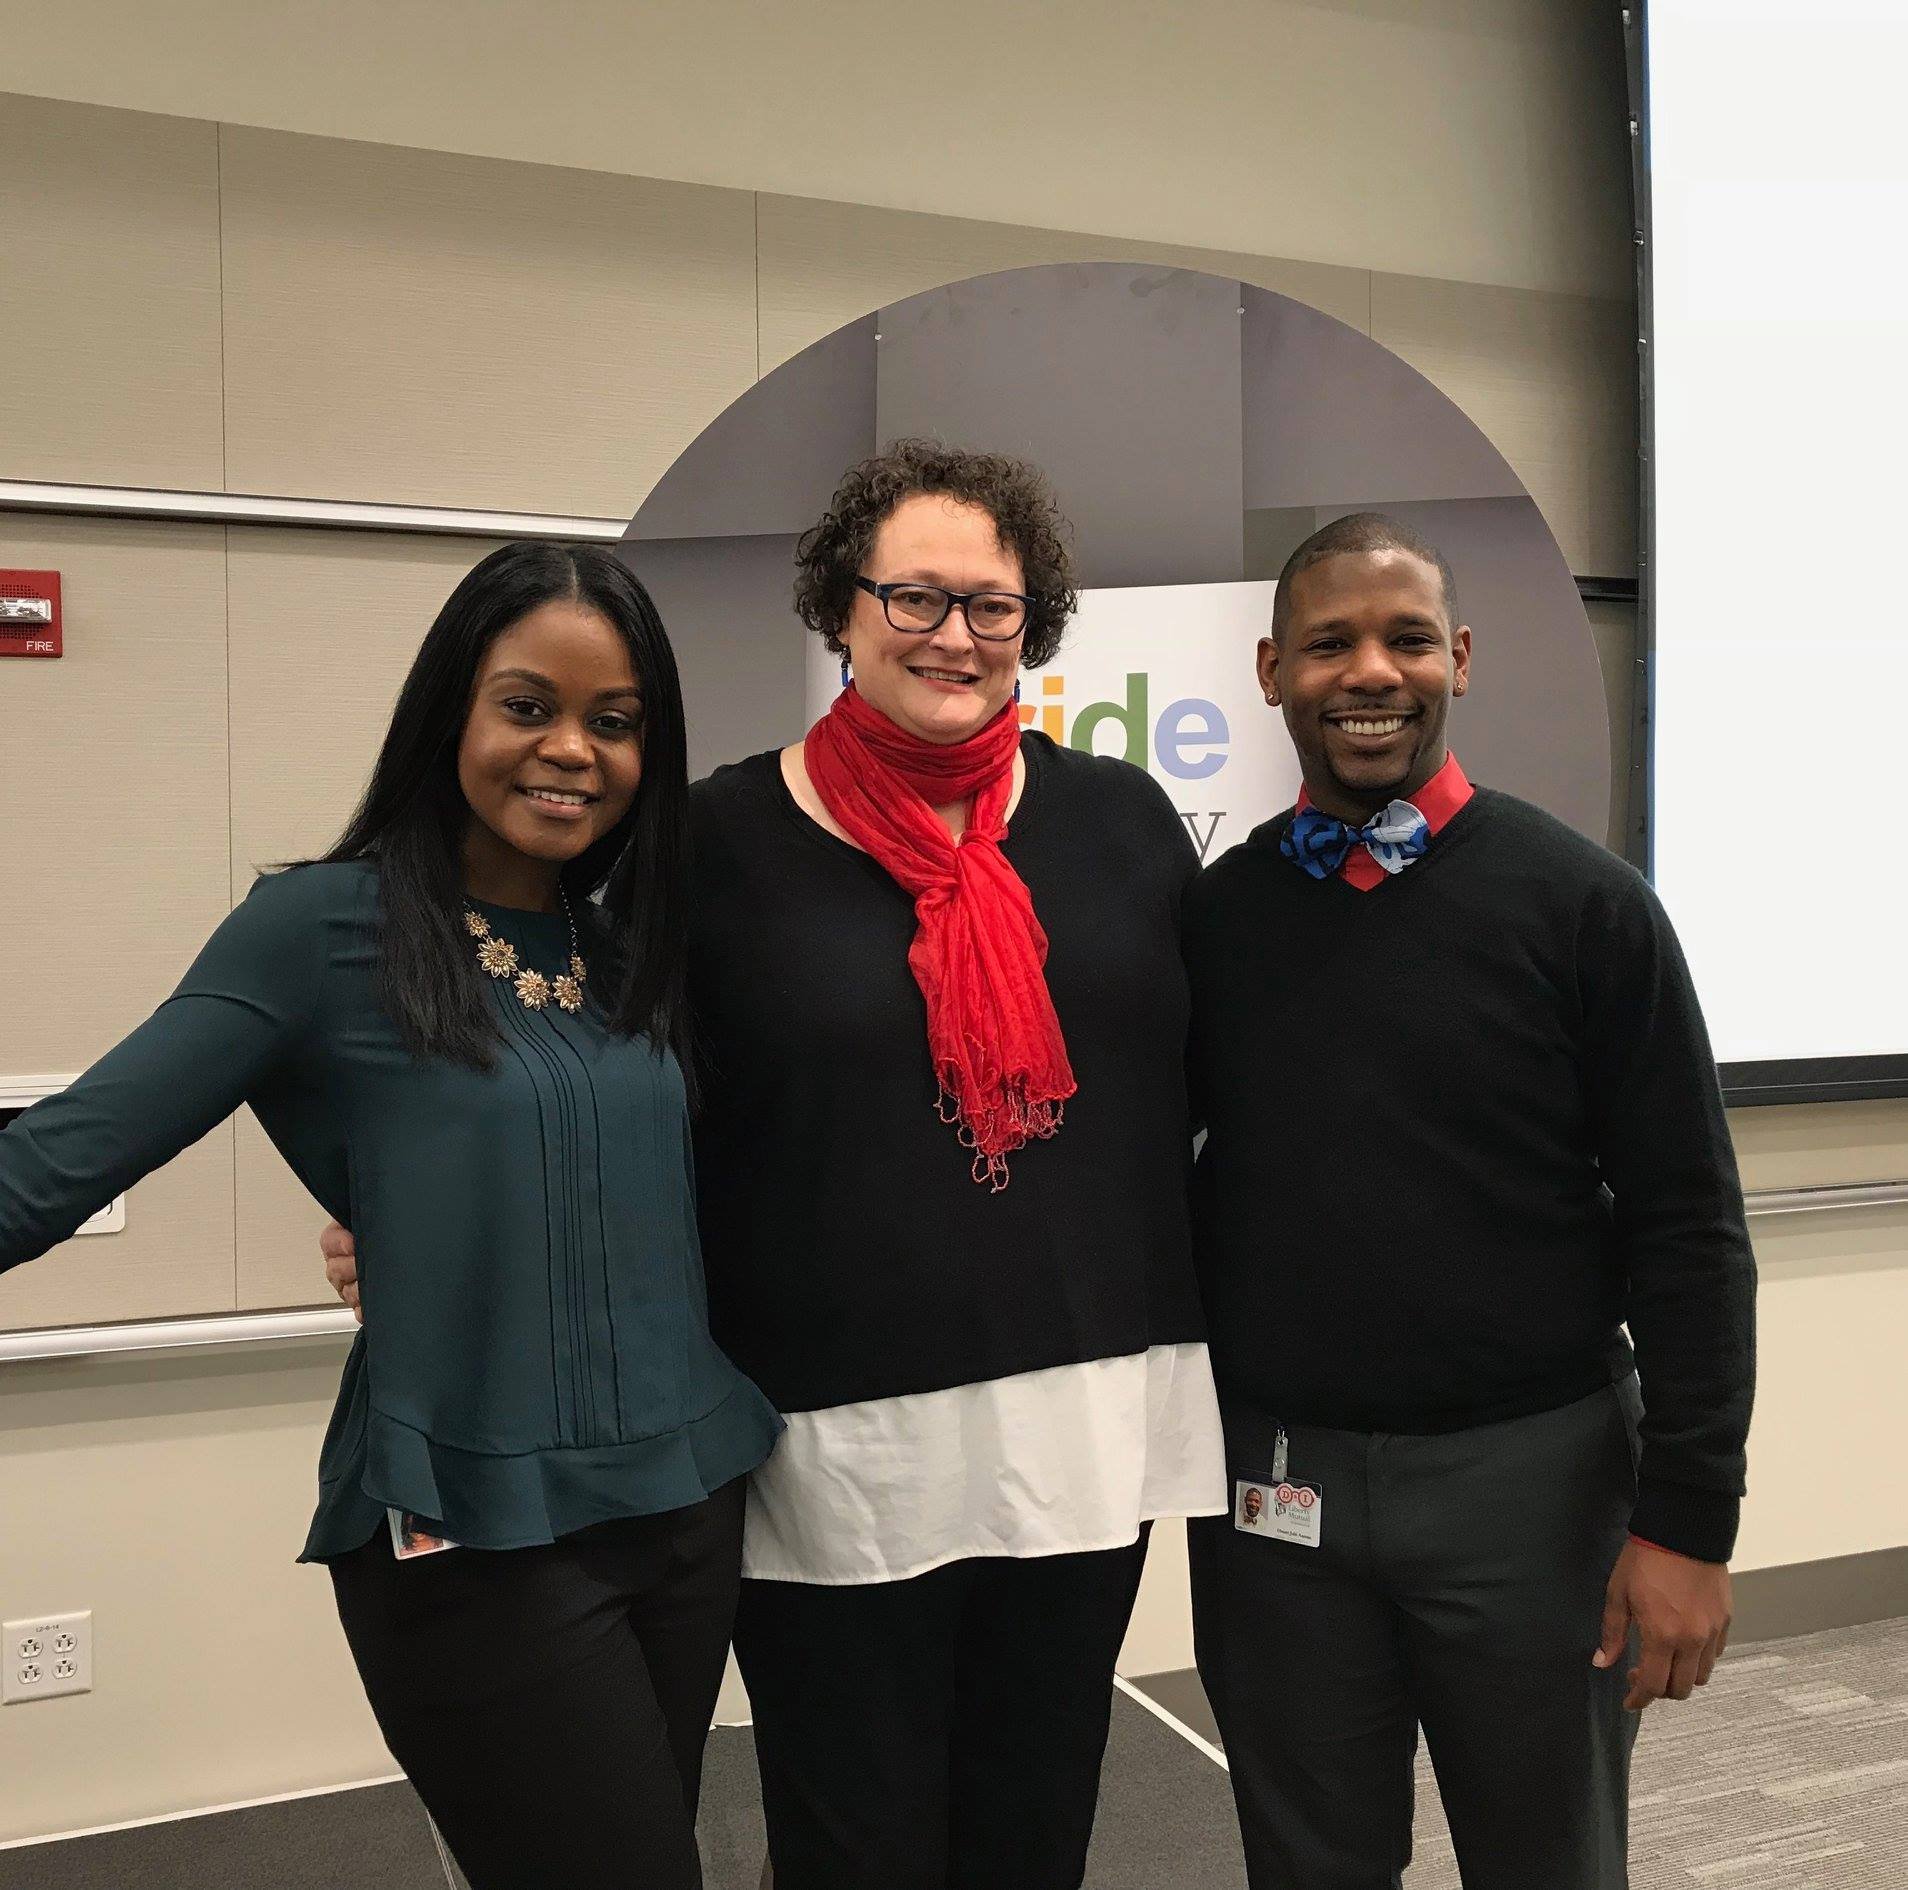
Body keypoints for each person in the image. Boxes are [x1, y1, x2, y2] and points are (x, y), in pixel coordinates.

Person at [327, 440, 1228, 1889]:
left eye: (990, 604)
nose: (954, 634)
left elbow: (1208, 1082)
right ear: (842, 608)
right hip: (831, 1444)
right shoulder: (718, 842)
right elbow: (584, 1079)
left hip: (1086, 1418)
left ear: (1034, 622)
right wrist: (432, 1212)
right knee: (852, 1833)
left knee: (1037, 1818)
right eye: (916, 596)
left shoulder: (1122, 821)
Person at [0, 542, 783, 1890]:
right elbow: (56, 1162)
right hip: (475, 1537)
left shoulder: (625, 950)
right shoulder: (319, 927)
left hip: (683, 1506)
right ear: (450, 713)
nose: (571, 751)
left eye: (614, 722)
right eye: (527, 705)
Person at [1182, 512, 1757, 1889]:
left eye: (1406, 637)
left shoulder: (1588, 909)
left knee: (1546, 1861)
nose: (1369, 670)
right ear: (1272, 671)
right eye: (1330, 642)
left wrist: (1689, 1521)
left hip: (1536, 1491)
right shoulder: (1215, 919)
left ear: (1463, 658)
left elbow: (1690, 1225)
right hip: (1278, 1498)